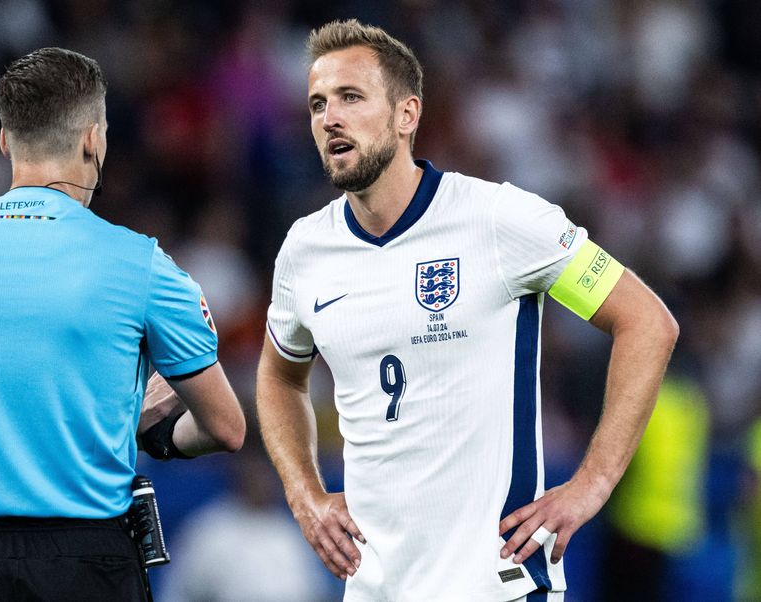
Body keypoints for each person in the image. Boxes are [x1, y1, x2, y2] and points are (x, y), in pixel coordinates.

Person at [256, 19, 679, 602]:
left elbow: (646, 321)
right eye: (317, 103)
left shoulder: (500, 220)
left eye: (351, 98)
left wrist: (592, 483)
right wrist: (305, 495)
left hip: (495, 585)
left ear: (408, 115)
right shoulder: (305, 251)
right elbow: (280, 374)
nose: (330, 118)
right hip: (373, 589)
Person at [0, 47, 246, 602]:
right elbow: (226, 427)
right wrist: (138, 424)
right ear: (93, 139)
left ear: (6, 141)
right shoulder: (141, 263)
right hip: (87, 565)